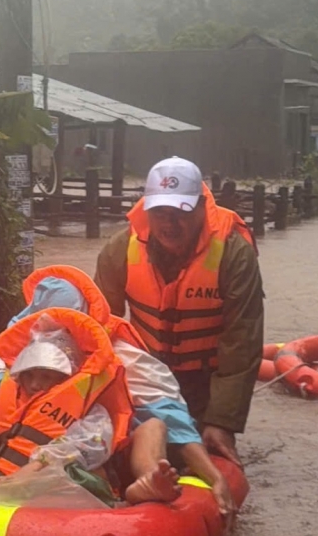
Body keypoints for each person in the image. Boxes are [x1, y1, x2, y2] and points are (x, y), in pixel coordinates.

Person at [0, 264, 234, 515]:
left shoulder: (122, 355)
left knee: (154, 426)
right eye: (45, 329)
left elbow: (170, 416)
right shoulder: (25, 349)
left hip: (92, 453)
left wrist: (215, 476)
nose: (50, 340)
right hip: (18, 452)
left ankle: (148, 480)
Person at [0, 308, 182, 505]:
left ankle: (139, 492)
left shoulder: (90, 411)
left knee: (65, 475)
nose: (35, 384)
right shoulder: (4, 402)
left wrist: (34, 468)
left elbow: (82, 448)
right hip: (6, 472)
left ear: (67, 377)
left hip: (52, 475)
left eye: (47, 376)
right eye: (29, 374)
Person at [95, 157, 264, 469]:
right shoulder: (119, 249)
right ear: (147, 209)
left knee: (194, 455)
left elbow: (242, 343)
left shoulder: (234, 254)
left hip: (204, 383)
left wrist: (222, 421)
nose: (170, 224)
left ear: (201, 208)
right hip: (144, 375)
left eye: (181, 213)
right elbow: (99, 331)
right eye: (160, 212)